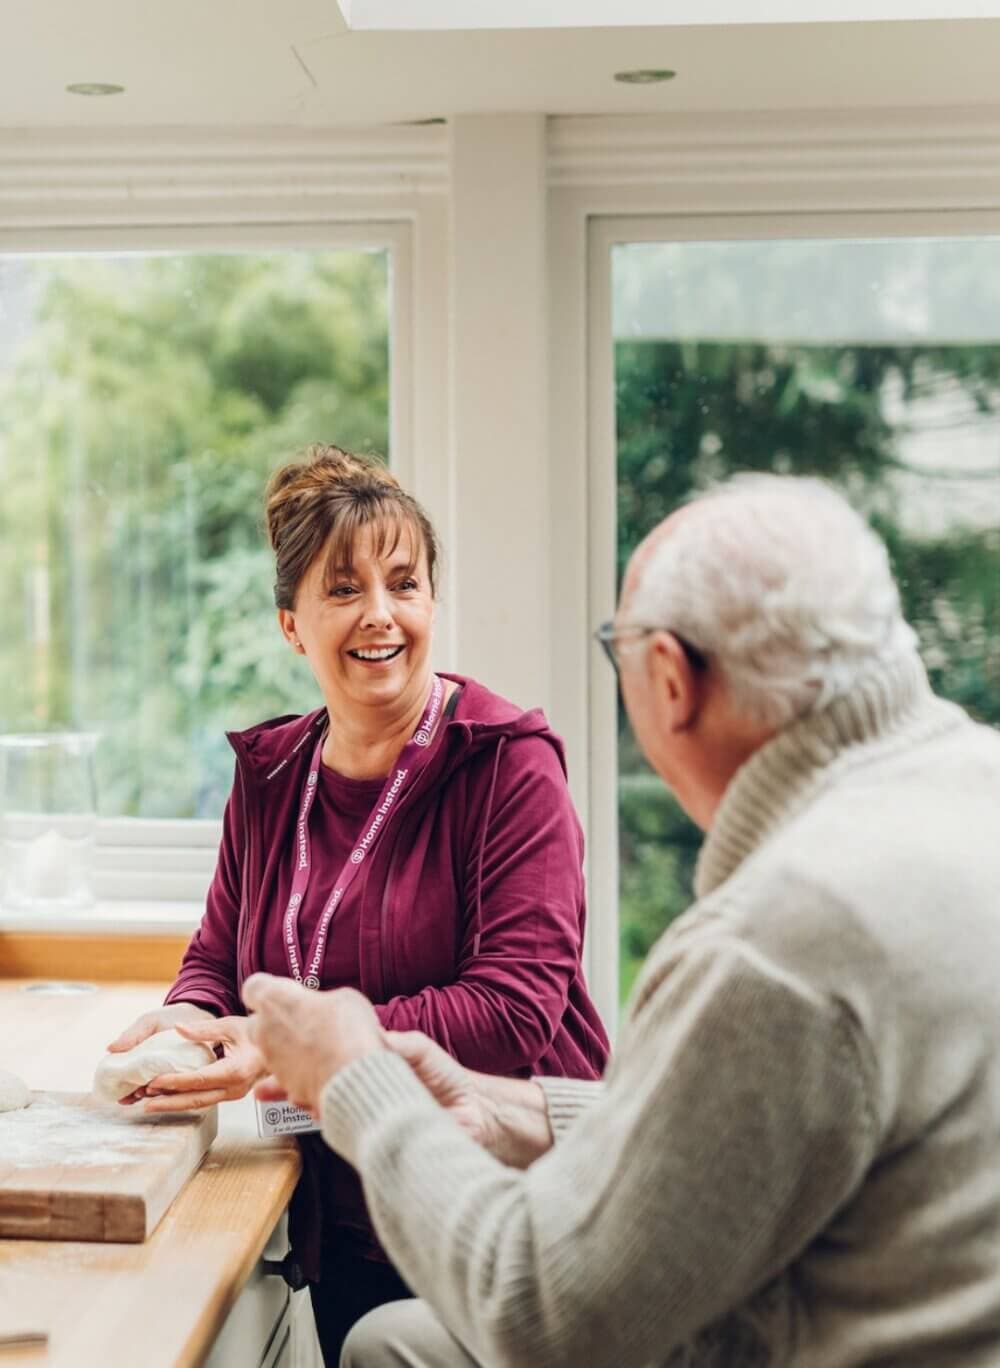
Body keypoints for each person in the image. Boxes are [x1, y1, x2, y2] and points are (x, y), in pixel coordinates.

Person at [243, 473, 1000, 1367]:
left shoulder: (778, 944)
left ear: (670, 681)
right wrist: (529, 1111)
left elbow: (544, 1315)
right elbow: (759, 1123)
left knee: (385, 1349)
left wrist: (356, 1083)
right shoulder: (970, 789)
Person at [106, 444, 609, 1365]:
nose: (381, 615)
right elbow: (221, 956)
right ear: (292, 624)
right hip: (340, 1214)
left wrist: (297, 1052)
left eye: (404, 583)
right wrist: (188, 1021)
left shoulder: (507, 764)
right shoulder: (272, 773)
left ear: (430, 603)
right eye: (344, 589)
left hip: (501, 1203)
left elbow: (512, 1015)